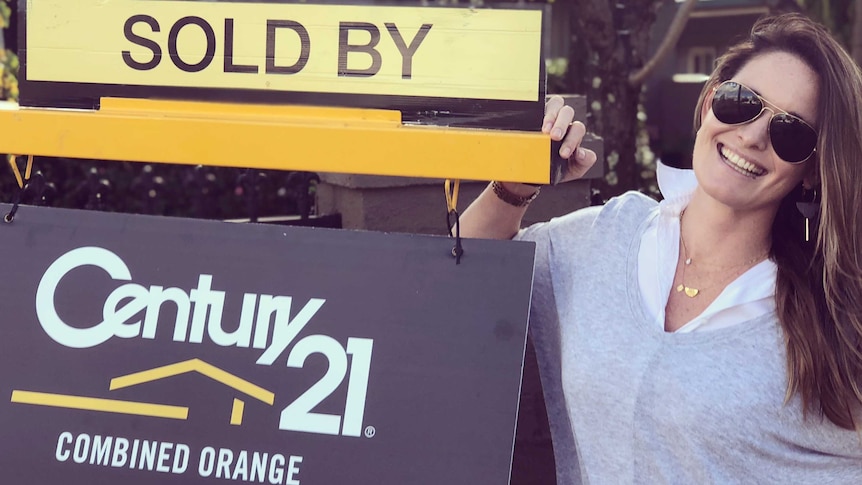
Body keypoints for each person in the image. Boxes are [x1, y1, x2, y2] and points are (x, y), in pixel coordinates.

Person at [460, 13, 862, 484]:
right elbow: (462, 274)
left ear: (812, 169)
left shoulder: (834, 314)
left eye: (790, 132)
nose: (752, 136)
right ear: (711, 100)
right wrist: (514, 182)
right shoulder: (602, 241)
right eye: (742, 102)